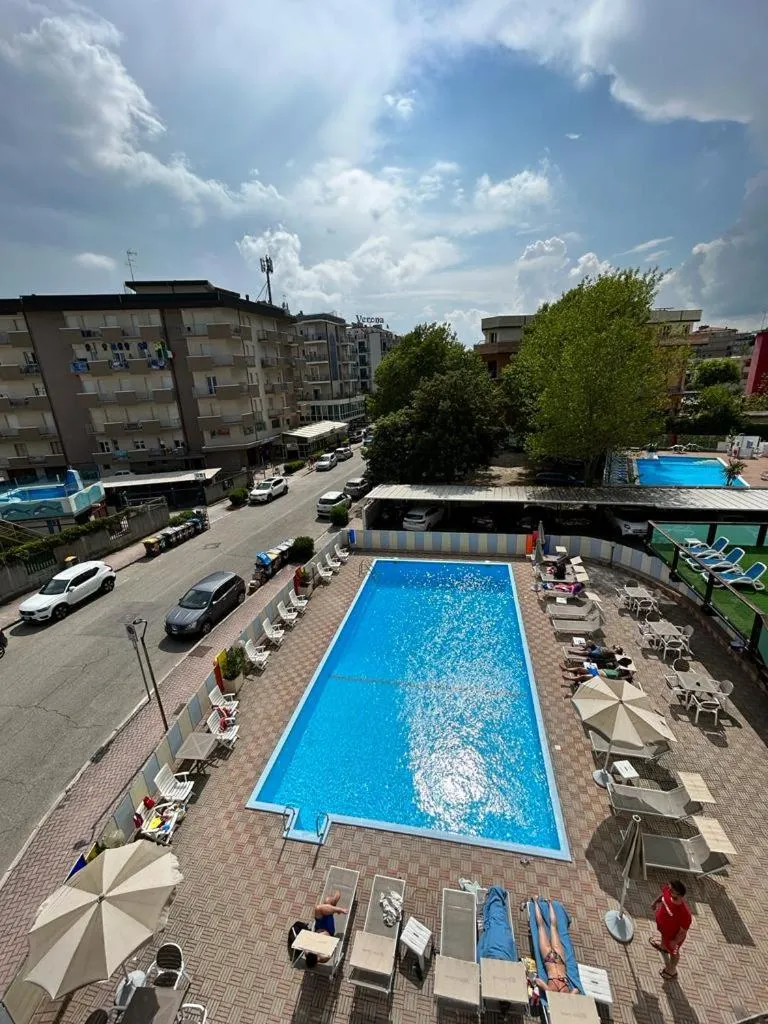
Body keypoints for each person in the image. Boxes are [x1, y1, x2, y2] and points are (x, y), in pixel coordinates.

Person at [532, 899, 579, 995]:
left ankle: (549, 903)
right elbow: (538, 981)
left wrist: (571, 996)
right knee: (540, 926)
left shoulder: (566, 993)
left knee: (553, 927)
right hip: (549, 961)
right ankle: (535, 901)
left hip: (560, 960)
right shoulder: (551, 991)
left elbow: (576, 989)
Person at [651, 880, 692, 980]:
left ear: (679, 894)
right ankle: (663, 947)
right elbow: (663, 895)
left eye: (671, 890)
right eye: (669, 887)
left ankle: (672, 971)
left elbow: (683, 932)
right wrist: (655, 902)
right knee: (664, 939)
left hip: (674, 938)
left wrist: (675, 942)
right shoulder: (669, 891)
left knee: (674, 952)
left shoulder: (684, 913)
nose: (668, 890)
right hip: (664, 929)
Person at [304, 890, 348, 969]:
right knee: (328, 901)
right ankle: (336, 907)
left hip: (318, 926)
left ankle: (334, 907)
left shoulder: (307, 953)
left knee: (318, 908)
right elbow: (334, 945)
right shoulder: (324, 957)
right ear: (317, 959)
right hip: (328, 929)